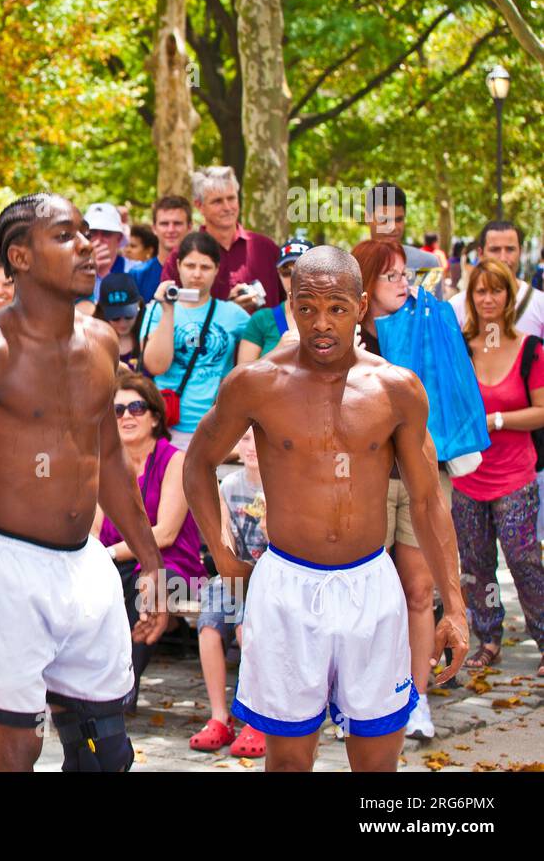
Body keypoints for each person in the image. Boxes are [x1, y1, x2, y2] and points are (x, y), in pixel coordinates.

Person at [182, 245, 469, 772]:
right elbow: (196, 464)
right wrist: (225, 559)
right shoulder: (256, 383)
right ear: (289, 303)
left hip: (370, 587)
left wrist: (454, 605)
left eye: (336, 308)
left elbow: (428, 501)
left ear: (361, 306)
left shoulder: (396, 388)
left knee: (378, 760)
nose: (320, 323)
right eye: (306, 307)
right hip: (287, 586)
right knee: (289, 760)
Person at [0, 193, 167, 772]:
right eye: (65, 236)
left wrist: (152, 562)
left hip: (83, 566)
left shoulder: (103, 344)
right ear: (21, 257)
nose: (87, 245)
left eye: (87, 232)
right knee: (14, 754)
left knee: (103, 753)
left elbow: (110, 460)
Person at [352, 238, 463, 738]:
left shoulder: (426, 327)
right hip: (366, 480)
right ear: (366, 283)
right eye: (392, 276)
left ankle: (416, 700)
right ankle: (360, 700)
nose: (404, 284)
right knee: (366, 593)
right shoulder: (343, 336)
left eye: (407, 276)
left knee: (420, 591)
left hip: (423, 474)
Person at [454, 259, 544, 677]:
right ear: (470, 297)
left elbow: (541, 412)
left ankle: (542, 635)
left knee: (523, 557)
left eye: (497, 290)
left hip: (514, 475)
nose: (488, 299)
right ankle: (488, 637)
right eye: (480, 291)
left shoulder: (530, 349)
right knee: (475, 563)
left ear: (509, 296)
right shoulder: (460, 346)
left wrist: (497, 421)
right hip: (467, 475)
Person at [96, 371, 206, 713]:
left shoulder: (176, 460)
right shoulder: (105, 465)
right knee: (92, 586)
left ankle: (120, 691)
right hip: (119, 565)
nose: (127, 416)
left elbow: (166, 533)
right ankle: (89, 689)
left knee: (144, 585)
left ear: (155, 416)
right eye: (117, 410)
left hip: (173, 566)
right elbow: (94, 531)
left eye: (137, 407)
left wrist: (108, 555)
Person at [190, 427, 269, 757]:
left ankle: (256, 716)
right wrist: (230, 567)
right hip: (237, 570)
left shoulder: (283, 484)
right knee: (209, 622)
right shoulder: (229, 485)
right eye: (246, 439)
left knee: (243, 625)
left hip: (272, 575)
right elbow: (223, 539)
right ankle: (220, 717)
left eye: (259, 441)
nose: (251, 448)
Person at [141, 231, 250, 450]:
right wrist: (168, 309)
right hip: (166, 425)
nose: (197, 274)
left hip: (214, 427)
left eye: (205, 267)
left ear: (217, 269)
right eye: (190, 266)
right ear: (179, 265)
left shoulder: (233, 314)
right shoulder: (156, 309)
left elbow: (264, 341)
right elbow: (156, 365)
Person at [159, 168, 283, 314]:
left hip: (267, 337)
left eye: (231, 198)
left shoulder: (266, 249)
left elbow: (287, 306)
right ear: (199, 206)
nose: (227, 207)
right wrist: (227, 311)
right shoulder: (181, 256)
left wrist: (281, 333)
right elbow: (168, 313)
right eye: (217, 201)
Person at [448, 220, 544, 338]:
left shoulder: (540, 304)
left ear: (520, 251)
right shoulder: (457, 306)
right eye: (495, 250)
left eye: (510, 249)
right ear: (481, 253)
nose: (503, 258)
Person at [363, 182, 443, 299]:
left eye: (399, 219)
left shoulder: (426, 264)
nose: (393, 227)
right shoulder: (351, 265)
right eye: (384, 220)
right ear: (367, 217)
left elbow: (432, 313)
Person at [237, 238, 313, 363]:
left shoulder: (330, 319)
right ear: (278, 273)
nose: (293, 278)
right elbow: (240, 378)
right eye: (286, 271)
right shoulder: (262, 319)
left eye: (302, 270)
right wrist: (276, 353)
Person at [131, 194, 192, 303]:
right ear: (154, 228)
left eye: (177, 223)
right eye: (164, 224)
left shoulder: (199, 273)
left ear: (189, 227)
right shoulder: (137, 275)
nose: (171, 229)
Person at [75, 202, 130, 316]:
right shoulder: (71, 274)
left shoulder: (135, 271)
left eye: (106, 233)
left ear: (119, 238)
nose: (98, 240)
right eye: (92, 233)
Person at [96, 273, 143, 370]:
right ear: (102, 312)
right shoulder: (93, 339)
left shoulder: (148, 333)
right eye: (115, 318)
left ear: (139, 306)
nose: (123, 323)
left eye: (129, 316)